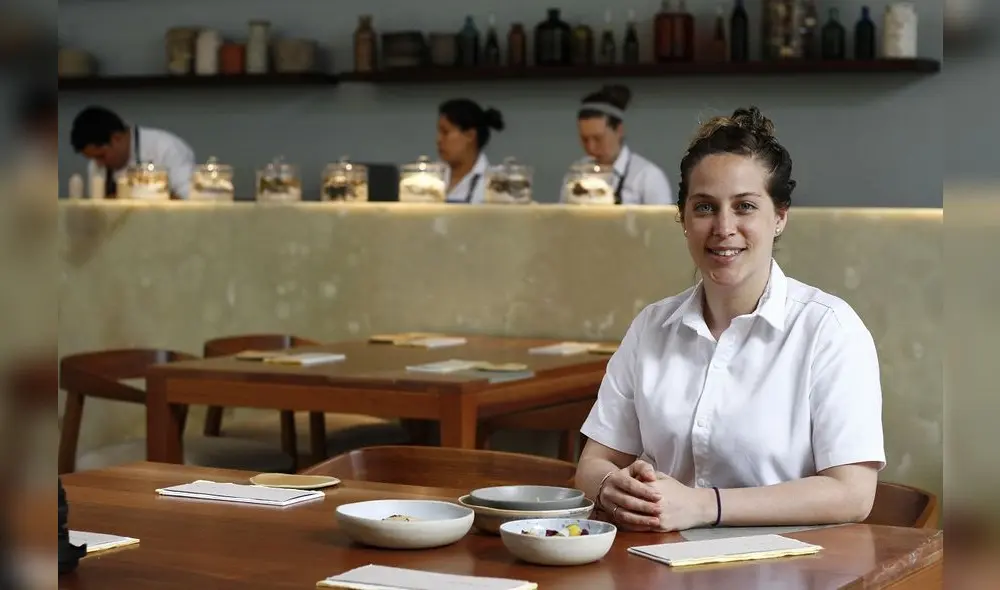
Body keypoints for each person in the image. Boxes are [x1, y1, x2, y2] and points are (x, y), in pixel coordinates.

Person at [574, 106, 884, 532]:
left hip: (794, 571)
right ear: (682, 217)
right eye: (704, 207)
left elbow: (853, 493)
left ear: (779, 217)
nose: (723, 227)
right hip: (655, 563)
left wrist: (704, 506)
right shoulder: (651, 327)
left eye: (744, 207)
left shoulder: (829, 329)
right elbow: (593, 462)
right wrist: (611, 486)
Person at [565, 84, 673, 205]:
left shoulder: (647, 177)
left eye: (598, 138)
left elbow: (662, 223)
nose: (591, 147)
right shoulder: (576, 173)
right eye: (585, 139)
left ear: (619, 130)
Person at [69, 106, 195, 199]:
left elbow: (190, 201)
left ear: (116, 138)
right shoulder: (96, 165)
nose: (98, 164)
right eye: (93, 159)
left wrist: (145, 194)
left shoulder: (168, 149)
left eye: (101, 156)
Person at [436, 99, 504, 204]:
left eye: (445, 132)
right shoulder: (432, 178)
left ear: (470, 135)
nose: (438, 140)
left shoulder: (495, 185)